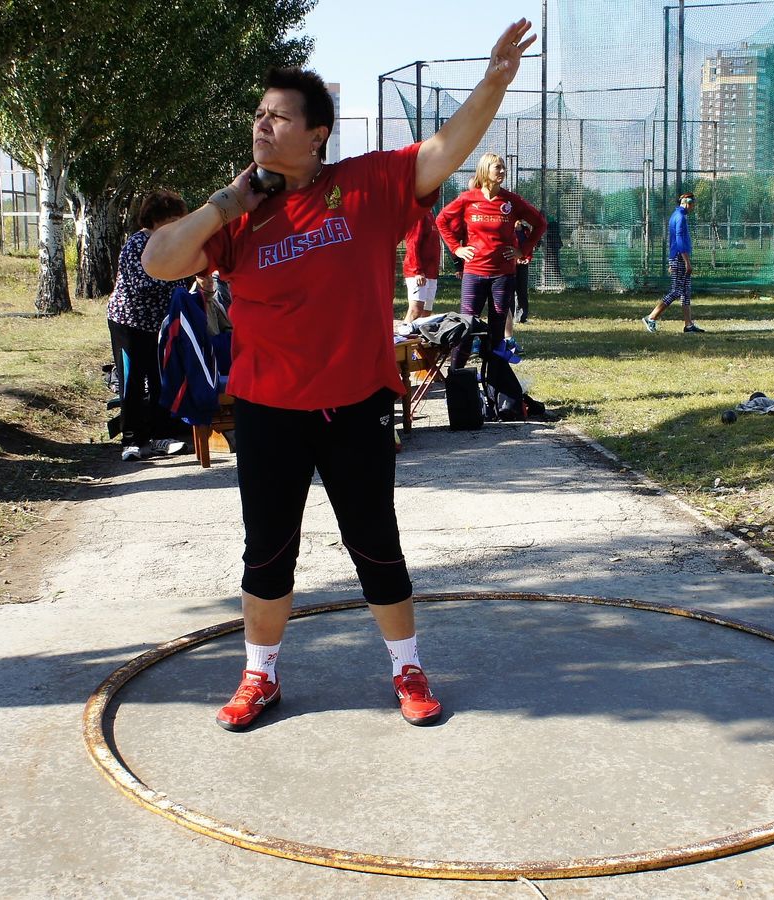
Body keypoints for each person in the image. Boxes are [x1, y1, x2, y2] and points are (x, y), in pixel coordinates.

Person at [142, 19, 538, 732]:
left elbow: (446, 149)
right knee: (267, 553)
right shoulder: (239, 213)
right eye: (258, 117)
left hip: (353, 405)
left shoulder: (370, 183)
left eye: (278, 118)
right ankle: (259, 677)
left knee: (375, 545)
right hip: (267, 410)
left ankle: (407, 668)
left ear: (317, 133)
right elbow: (159, 262)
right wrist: (228, 202)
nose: (262, 128)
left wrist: (495, 82)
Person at [436, 151, 546, 367]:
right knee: (465, 327)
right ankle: (456, 376)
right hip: (474, 273)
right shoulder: (468, 198)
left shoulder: (511, 201)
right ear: (485, 170)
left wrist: (522, 250)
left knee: (497, 331)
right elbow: (442, 221)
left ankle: (494, 383)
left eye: (504, 167)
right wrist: (457, 249)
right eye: (498, 167)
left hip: (503, 276)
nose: (503, 172)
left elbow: (540, 224)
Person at [108, 189, 191, 461]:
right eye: (173, 220)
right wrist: (177, 273)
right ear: (156, 220)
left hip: (160, 325)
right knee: (132, 380)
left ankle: (159, 436)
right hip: (129, 322)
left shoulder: (176, 246)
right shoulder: (136, 244)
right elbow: (140, 285)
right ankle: (131, 439)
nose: (178, 226)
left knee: (160, 380)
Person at [643, 193, 701, 333]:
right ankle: (651, 317)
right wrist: (687, 262)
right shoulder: (680, 217)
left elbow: (673, 241)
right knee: (676, 291)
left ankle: (688, 325)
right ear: (687, 202)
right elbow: (680, 241)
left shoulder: (675, 216)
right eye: (693, 204)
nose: (693, 207)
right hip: (680, 258)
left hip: (676, 257)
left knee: (685, 292)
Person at [401, 207, 440, 324]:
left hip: (431, 273)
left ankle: (418, 341)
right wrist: (417, 271)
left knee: (426, 314)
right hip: (418, 273)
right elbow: (412, 243)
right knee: (415, 311)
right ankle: (401, 337)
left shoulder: (430, 214)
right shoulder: (418, 215)